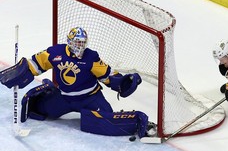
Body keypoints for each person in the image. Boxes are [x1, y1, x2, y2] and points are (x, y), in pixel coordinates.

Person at [0, 27, 156, 138]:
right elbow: (35, 64)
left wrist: (122, 82)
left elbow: (107, 76)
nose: (80, 47)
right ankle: (48, 95)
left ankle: (137, 124)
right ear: (69, 42)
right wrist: (20, 72)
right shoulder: (55, 53)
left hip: (90, 98)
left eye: (82, 43)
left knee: (107, 121)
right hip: (65, 98)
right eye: (77, 43)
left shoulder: (91, 57)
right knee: (39, 109)